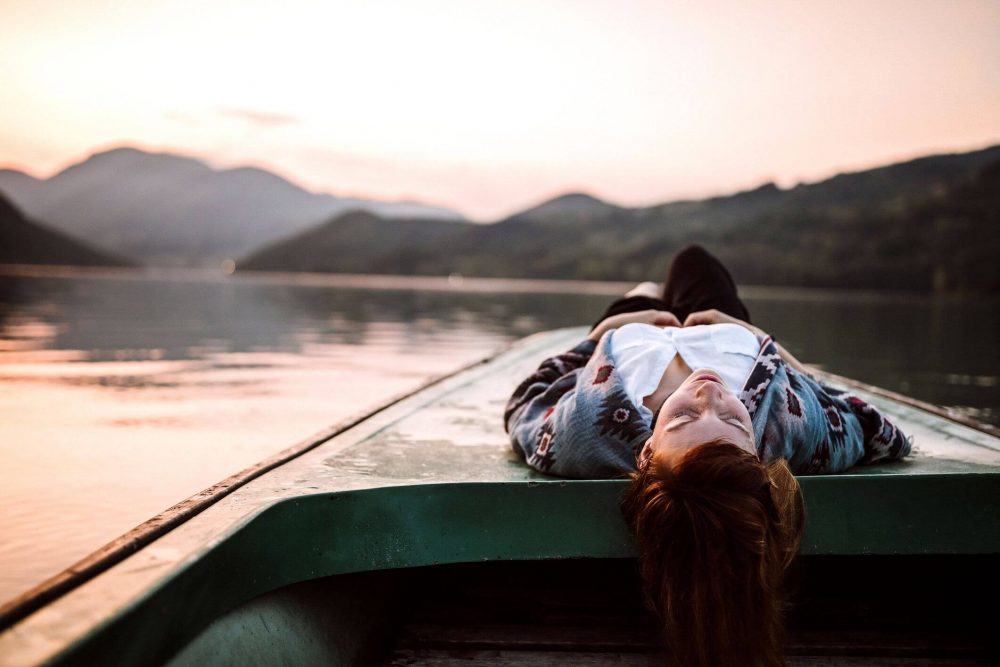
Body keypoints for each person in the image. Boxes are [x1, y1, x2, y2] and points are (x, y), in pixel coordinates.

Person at [503, 245, 912, 667]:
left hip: (635, 330)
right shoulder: (790, 429)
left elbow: (526, 403)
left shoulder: (585, 432)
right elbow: (879, 428)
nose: (709, 392)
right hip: (720, 327)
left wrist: (601, 332)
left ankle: (643, 294)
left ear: (647, 451)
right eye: (735, 422)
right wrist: (753, 335)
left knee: (647, 290)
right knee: (694, 261)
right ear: (755, 453)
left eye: (681, 416)